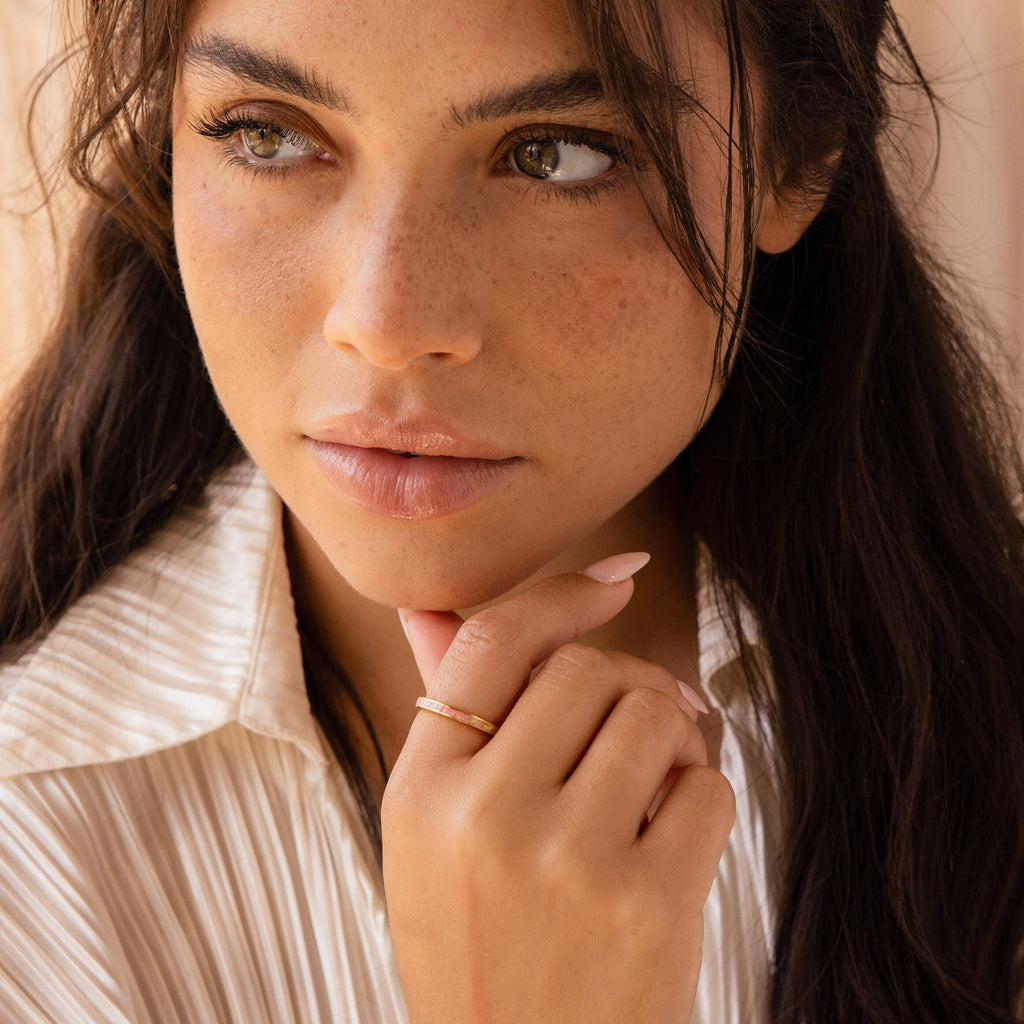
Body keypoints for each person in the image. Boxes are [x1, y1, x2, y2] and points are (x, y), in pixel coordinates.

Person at [1, 0, 1022, 1021]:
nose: (387, 323)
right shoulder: (30, 832)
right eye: (267, 135)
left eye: (557, 155)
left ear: (796, 162)